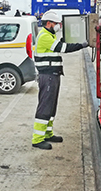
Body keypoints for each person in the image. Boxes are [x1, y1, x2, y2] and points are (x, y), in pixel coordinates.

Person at [31, 11, 88, 150]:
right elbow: (63, 48)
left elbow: (59, 44)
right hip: (48, 76)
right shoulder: (44, 36)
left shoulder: (50, 35)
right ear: (49, 23)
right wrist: (83, 44)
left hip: (53, 75)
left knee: (51, 106)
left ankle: (48, 133)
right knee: (45, 106)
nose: (58, 26)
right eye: (56, 24)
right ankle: (37, 139)